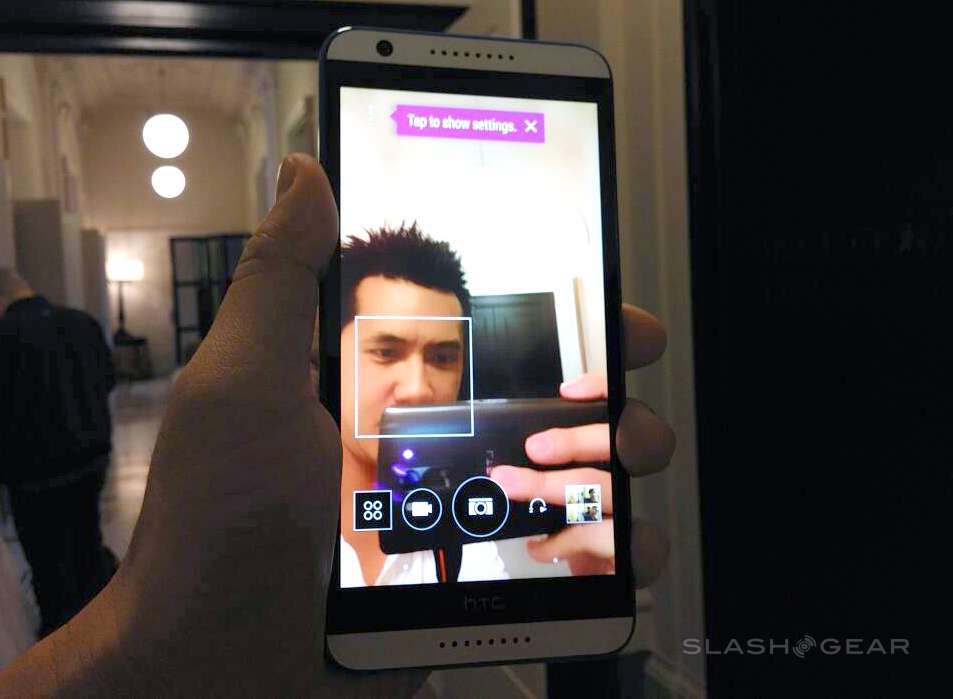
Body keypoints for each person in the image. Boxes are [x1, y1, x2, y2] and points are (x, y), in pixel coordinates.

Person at [0, 154, 674, 695]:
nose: (418, 387)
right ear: (327, 355)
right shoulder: (277, 520)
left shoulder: (473, 531)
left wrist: (573, 576)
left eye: (443, 356)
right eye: (385, 350)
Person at [0, 271, 118, 638]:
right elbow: (108, 380)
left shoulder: (5, 336)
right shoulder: (82, 323)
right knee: (87, 544)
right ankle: (101, 628)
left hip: (35, 475)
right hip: (91, 461)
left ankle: (63, 644)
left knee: (49, 566)